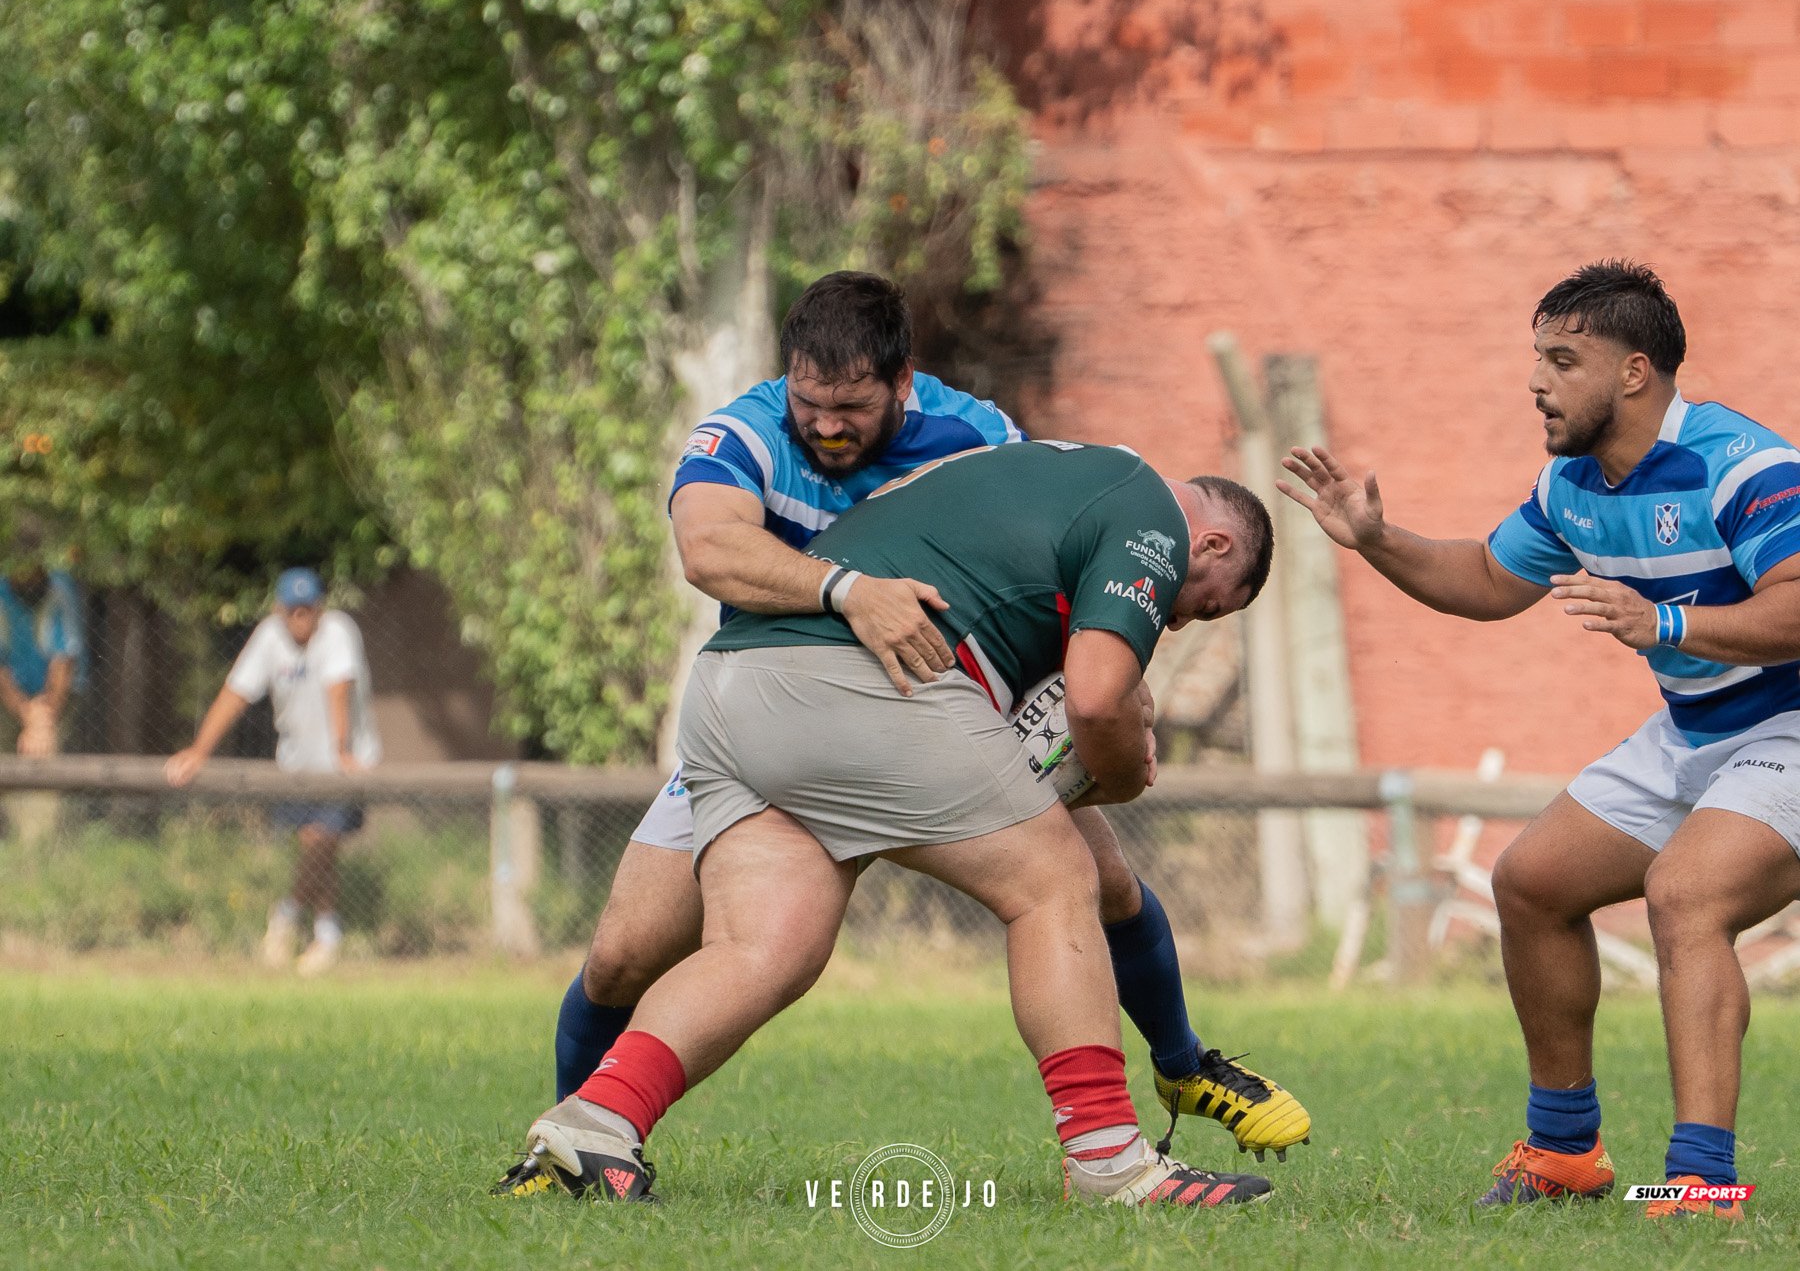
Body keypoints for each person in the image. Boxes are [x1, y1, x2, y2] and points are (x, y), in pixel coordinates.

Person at [544, 271, 1309, 1163]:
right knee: (624, 956)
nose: (828, 425)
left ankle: (588, 1133)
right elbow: (708, 547)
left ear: (903, 382)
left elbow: (1053, 572)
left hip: (852, 700)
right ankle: (1110, 1156)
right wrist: (848, 590)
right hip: (815, 693)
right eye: (810, 403)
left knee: (783, 942)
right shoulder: (747, 429)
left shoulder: (977, 433)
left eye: (853, 407)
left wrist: (1105, 675)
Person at [1277, 261, 1800, 1222]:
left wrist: (1666, 623)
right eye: (1537, 359)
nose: (1536, 382)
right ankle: (1564, 1153)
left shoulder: (1743, 466)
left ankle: (1702, 1182)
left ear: (1635, 372)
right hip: (1697, 727)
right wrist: (1376, 539)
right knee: (1531, 883)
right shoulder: (1571, 484)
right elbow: (1486, 579)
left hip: (1791, 726)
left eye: (1563, 361)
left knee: (1685, 893)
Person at [165, 568, 382, 977]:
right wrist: (199, 751)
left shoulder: (338, 631)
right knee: (315, 845)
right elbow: (236, 693)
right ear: (279, 610)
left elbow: (339, 687)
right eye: (292, 610)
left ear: (320, 608)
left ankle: (287, 917)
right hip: (295, 764)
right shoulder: (269, 636)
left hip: (345, 765)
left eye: (307, 609)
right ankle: (326, 932)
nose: (300, 618)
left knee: (321, 840)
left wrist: (341, 751)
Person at [0, 547, 85, 843]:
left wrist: (42, 722)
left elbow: (64, 661)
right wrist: (26, 712)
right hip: (12, 694)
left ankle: (37, 844)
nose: (26, 578)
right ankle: (12, 838)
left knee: (43, 759)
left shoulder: (59, 589)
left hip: (58, 695)